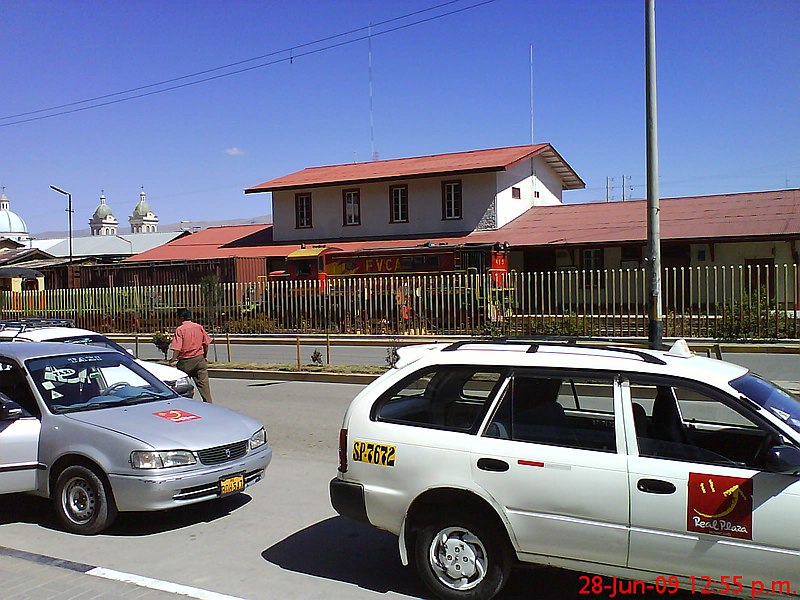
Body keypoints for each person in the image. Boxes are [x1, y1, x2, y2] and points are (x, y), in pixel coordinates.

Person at [169, 308, 213, 403]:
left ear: (181, 318)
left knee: (181, 385)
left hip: (185, 362)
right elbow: (206, 343)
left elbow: (177, 348)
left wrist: (173, 359)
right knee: (204, 386)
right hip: (199, 359)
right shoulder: (198, 327)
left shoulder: (180, 330)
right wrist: (204, 356)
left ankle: (183, 403)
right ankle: (209, 403)